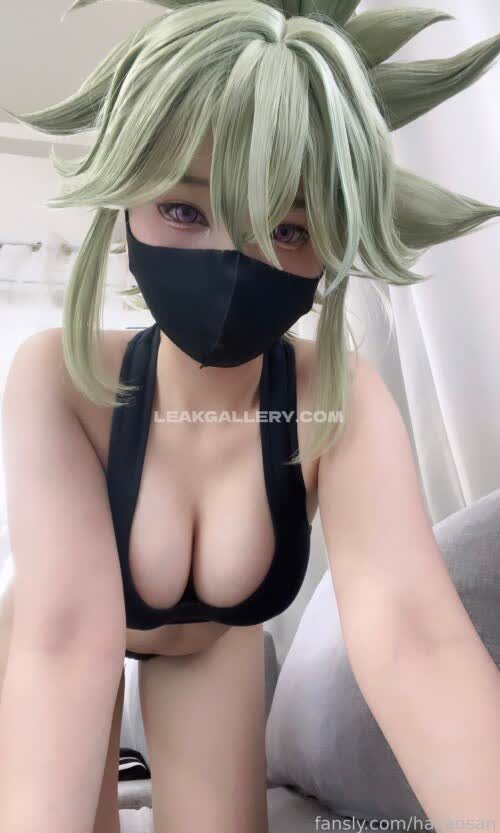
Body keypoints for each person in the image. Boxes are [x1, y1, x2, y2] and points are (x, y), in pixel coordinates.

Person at [0, 1, 499, 832]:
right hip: (45, 638)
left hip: (210, 645)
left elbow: (415, 636)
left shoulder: (339, 399)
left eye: (287, 226)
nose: (235, 262)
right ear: (126, 202)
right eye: (185, 210)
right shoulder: (59, 377)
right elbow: (63, 641)